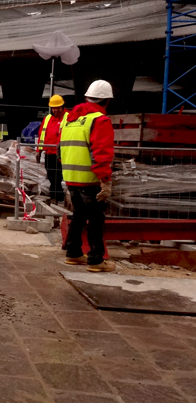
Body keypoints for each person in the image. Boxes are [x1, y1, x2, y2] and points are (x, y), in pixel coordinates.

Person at [59, 80, 116, 272]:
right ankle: (95, 260)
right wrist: (105, 181)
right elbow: (101, 153)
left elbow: (60, 150)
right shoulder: (100, 120)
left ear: (86, 98)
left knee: (79, 216)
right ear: (106, 101)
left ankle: (73, 254)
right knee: (96, 219)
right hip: (90, 179)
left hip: (71, 177)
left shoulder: (69, 119)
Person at [36, 95, 68, 204]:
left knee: (57, 177)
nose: (55, 110)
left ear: (62, 106)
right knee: (50, 175)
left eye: (57, 107)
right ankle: (56, 196)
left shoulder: (68, 117)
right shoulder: (47, 119)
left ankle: (57, 197)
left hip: (61, 154)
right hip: (49, 153)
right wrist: (39, 151)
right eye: (53, 108)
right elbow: (41, 135)